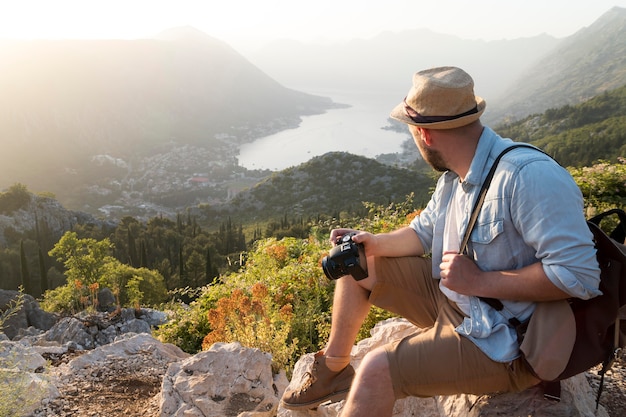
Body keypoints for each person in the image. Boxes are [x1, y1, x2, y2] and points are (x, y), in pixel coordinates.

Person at [279, 66, 602, 416]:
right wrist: (370, 242)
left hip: (506, 340)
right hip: (457, 304)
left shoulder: (527, 177)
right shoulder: (456, 174)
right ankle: (334, 369)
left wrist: (480, 280)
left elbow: (578, 275)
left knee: (376, 369)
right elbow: (424, 232)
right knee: (354, 261)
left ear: (424, 134)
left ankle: (365, 374)